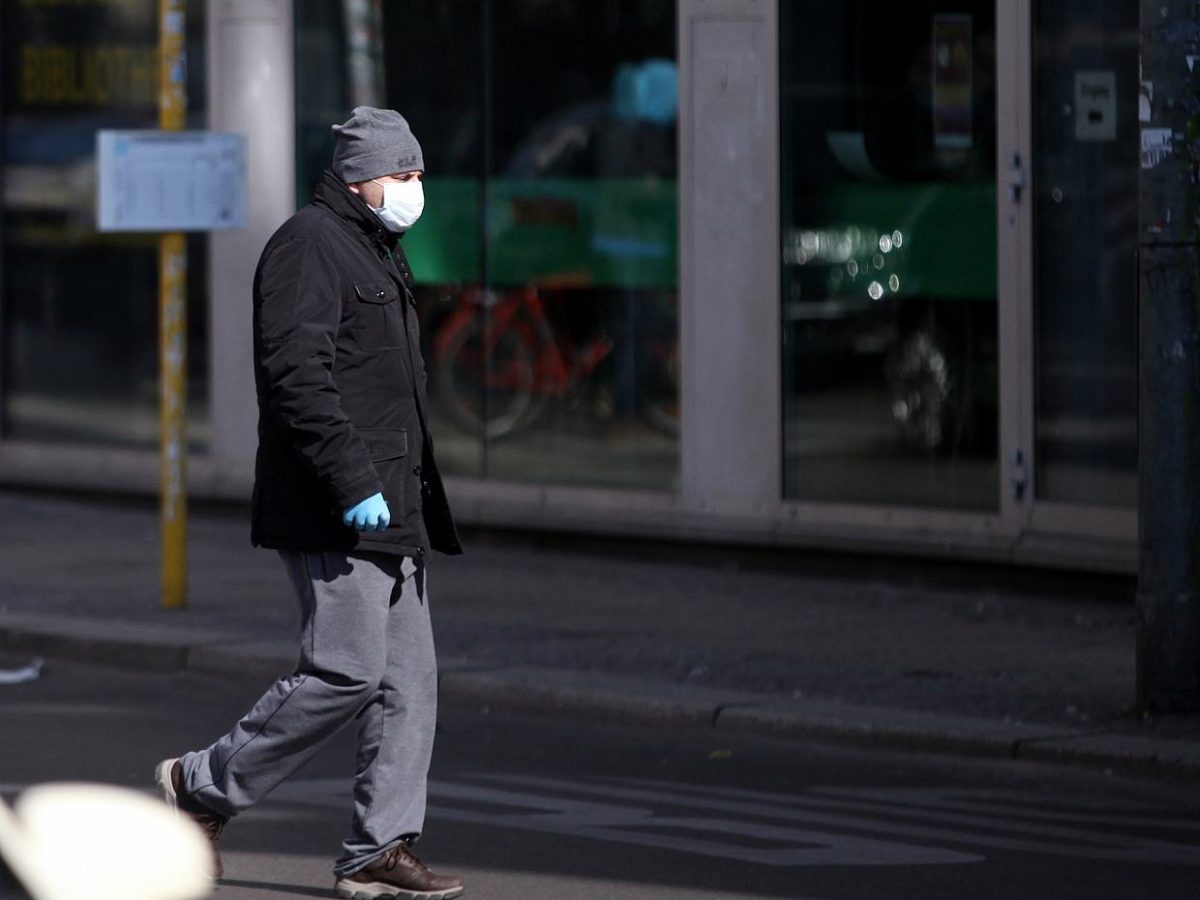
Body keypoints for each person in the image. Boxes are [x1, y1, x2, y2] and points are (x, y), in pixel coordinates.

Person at [154, 106, 464, 900]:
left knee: (409, 685)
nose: (416, 187)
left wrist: (401, 493)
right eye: (405, 173)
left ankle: (377, 851)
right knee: (345, 672)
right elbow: (299, 379)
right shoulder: (308, 245)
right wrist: (353, 482)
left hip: (394, 505)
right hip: (340, 503)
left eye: (420, 172)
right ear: (361, 178)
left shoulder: (376, 246)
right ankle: (200, 786)